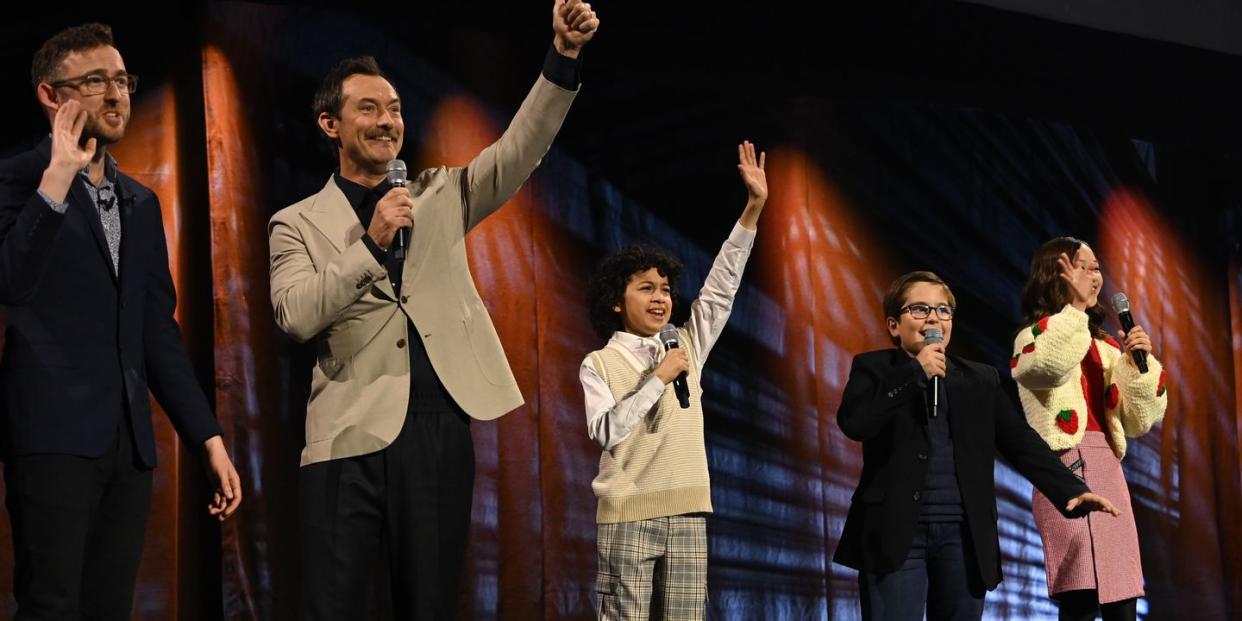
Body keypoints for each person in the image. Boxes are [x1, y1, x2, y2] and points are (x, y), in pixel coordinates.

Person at [267, 1, 598, 618]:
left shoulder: (439, 192)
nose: (388, 120)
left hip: (437, 428)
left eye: (394, 108)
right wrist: (372, 244)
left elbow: (520, 149)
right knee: (331, 606)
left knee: (430, 603)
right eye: (368, 108)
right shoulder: (296, 223)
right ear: (329, 124)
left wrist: (563, 58)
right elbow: (295, 315)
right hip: (347, 434)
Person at [0, 22, 241, 619]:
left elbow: (156, 330)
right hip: (51, 436)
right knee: (51, 604)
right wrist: (56, 179)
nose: (116, 95)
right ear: (51, 96)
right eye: (95, 81)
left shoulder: (139, 201)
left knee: (111, 605)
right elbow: (10, 281)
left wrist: (207, 437)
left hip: (128, 445)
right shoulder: (15, 176)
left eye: (122, 80)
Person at [834, 270, 1119, 621]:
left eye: (943, 310)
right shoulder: (873, 369)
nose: (934, 318)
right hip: (895, 536)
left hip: (964, 537)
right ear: (894, 325)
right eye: (920, 309)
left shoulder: (979, 378)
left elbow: (1020, 441)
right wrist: (914, 376)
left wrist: (1070, 488)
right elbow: (856, 423)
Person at [580, 141, 767, 620]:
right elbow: (606, 431)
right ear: (617, 302)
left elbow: (721, 289)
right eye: (646, 288)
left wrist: (752, 210)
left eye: (665, 288)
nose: (661, 297)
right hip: (627, 515)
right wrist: (656, 379)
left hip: (688, 510)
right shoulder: (599, 362)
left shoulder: (686, 345)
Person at [1011, 237, 1167, 621]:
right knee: (1079, 593)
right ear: (1056, 274)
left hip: (1108, 470)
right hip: (1061, 469)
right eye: (1084, 267)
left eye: (1097, 268)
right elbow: (1045, 369)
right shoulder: (1034, 336)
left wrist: (1137, 367)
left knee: (1122, 594)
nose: (1095, 276)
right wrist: (1076, 308)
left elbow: (1138, 420)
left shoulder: (1108, 347)